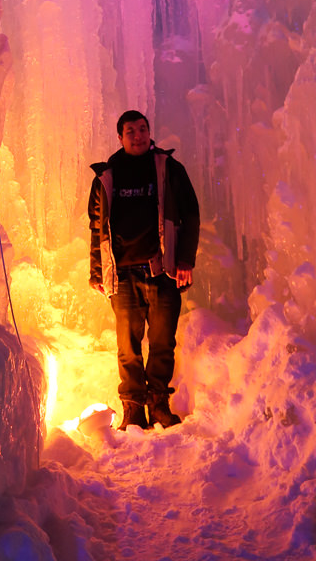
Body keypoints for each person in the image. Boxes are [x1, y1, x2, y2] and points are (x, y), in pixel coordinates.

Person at [88, 110, 200, 430]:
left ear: (149, 132)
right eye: (130, 131)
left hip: (161, 270)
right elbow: (97, 226)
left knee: (163, 341)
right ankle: (134, 408)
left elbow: (190, 215)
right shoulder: (107, 175)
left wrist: (185, 260)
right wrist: (97, 270)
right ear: (120, 137)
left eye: (142, 129)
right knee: (128, 346)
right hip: (122, 274)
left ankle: (160, 404)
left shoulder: (168, 168)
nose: (138, 136)